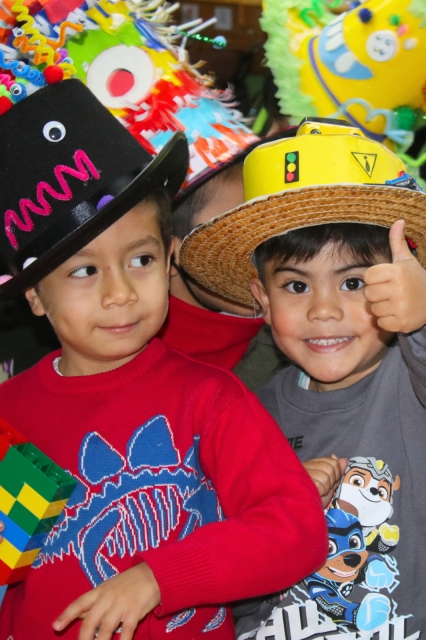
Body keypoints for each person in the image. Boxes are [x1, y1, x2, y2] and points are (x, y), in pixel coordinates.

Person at [0, 80, 326, 640]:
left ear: (171, 258)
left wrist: (159, 576)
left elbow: (295, 529)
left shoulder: (210, 399)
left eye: (142, 259)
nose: (120, 293)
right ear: (35, 295)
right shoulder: (10, 411)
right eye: (84, 270)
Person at [178, 118, 426, 640]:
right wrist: (274, 512)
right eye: (296, 286)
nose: (324, 311)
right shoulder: (247, 413)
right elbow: (234, 567)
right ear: (262, 300)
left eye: (354, 282)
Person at [161, 128, 297, 388]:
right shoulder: (123, 355)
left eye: (271, 223)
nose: (264, 246)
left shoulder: (299, 340)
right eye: (233, 231)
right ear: (169, 253)